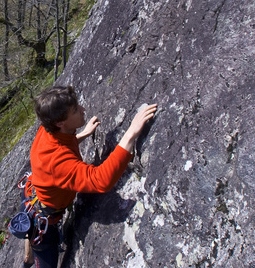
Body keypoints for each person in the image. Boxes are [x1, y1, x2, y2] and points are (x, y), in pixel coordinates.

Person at [23, 85, 157, 268]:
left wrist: (83, 134)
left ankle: (28, 255)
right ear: (60, 123)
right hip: (45, 220)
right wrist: (131, 133)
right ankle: (31, 256)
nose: (83, 109)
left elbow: (61, 151)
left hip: (36, 193)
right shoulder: (56, 161)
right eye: (75, 110)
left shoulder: (47, 129)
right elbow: (100, 180)